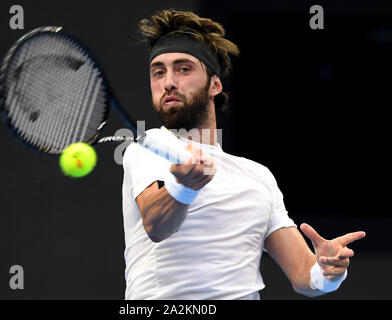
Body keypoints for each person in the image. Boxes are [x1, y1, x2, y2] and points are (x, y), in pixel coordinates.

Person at [121, 9, 365, 300]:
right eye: (158, 72)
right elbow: (157, 225)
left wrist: (327, 272)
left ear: (215, 84)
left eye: (183, 68)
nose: (168, 82)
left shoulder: (258, 176)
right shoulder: (148, 144)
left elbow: (304, 276)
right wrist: (182, 187)